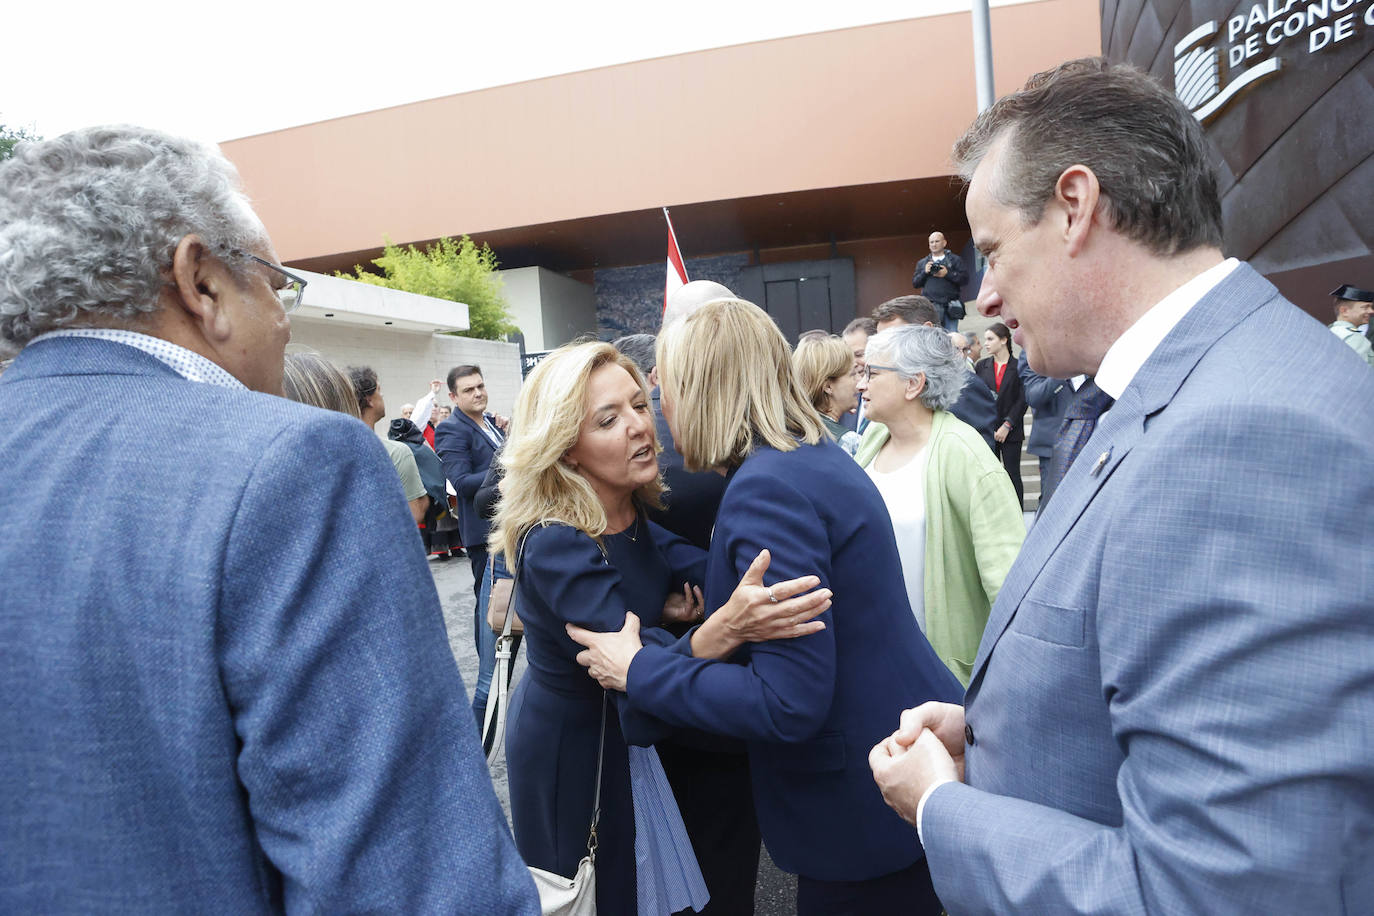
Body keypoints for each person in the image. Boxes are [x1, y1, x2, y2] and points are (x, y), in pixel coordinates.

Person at [867, 58, 1374, 914]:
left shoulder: (1237, 440)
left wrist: (944, 807)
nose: (983, 297)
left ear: (1075, 206)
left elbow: (1219, 893)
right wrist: (993, 741)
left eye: (990, 252)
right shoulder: (1174, 398)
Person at [0, 125, 537, 913]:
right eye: (277, 286)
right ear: (201, 281)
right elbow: (411, 881)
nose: (285, 325)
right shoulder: (292, 464)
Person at [567, 299, 965, 916]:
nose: (662, 411)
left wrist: (641, 669)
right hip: (891, 760)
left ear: (703, 390)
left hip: (858, 799)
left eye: (663, 390)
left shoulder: (766, 489)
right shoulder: (806, 456)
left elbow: (789, 702)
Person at [490, 341, 830, 916]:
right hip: (580, 747)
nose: (639, 427)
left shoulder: (626, 508)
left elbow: (683, 574)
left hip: (632, 732)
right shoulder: (555, 540)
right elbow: (626, 675)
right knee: (598, 892)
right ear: (565, 448)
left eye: (639, 406)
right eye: (608, 419)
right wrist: (721, 629)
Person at [853, 325, 1025, 685]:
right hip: (875, 661)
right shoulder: (875, 437)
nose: (860, 384)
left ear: (913, 384)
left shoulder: (966, 457)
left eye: (872, 373)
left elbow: (1009, 583)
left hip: (939, 674)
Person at [867, 295, 999, 448]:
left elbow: (977, 456)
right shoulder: (890, 384)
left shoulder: (964, 385)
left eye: (892, 338)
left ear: (926, 330)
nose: (882, 347)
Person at [434, 364, 505, 599]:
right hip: (484, 533)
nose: (477, 393)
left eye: (480, 386)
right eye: (468, 390)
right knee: (491, 608)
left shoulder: (492, 423)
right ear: (453, 397)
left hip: (508, 527)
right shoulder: (450, 429)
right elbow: (461, 482)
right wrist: (510, 473)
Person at [349, 364, 429, 525]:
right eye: (379, 389)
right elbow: (416, 511)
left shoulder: (329, 449)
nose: (382, 394)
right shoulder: (396, 452)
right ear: (369, 399)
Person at [973, 322, 1026, 506]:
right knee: (990, 476)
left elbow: (1022, 399)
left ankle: (1017, 515)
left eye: (990, 339)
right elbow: (978, 398)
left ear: (1003, 340)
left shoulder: (1019, 366)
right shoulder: (981, 366)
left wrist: (1007, 424)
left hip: (1011, 431)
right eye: (985, 339)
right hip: (988, 430)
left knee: (1012, 475)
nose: (986, 343)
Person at [1016, 351, 1077, 509]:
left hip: (1094, 441)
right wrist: (1064, 371)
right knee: (1053, 505)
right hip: (1053, 447)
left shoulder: (1091, 345)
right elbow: (1034, 396)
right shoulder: (1034, 350)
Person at [791, 333, 861, 455]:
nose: (860, 382)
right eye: (853, 374)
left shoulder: (788, 431)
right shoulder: (849, 443)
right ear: (828, 386)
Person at [912, 231, 968, 331]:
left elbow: (965, 280)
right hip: (931, 306)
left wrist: (948, 274)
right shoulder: (923, 263)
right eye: (931, 242)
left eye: (937, 241)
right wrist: (925, 272)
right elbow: (915, 283)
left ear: (944, 243)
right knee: (934, 336)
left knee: (952, 336)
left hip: (950, 306)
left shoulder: (955, 260)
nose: (934, 244)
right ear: (929, 245)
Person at [1328, 283, 1374, 367]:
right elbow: (1360, 372)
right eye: (1365, 307)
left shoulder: (1330, 331)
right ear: (1344, 311)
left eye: (1371, 307)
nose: (1371, 311)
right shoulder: (1354, 337)